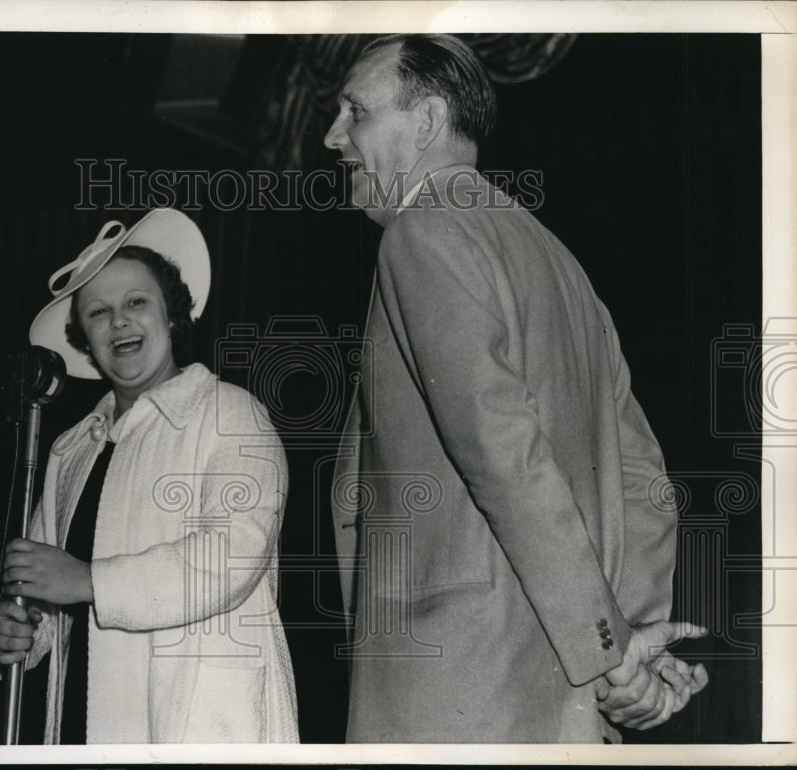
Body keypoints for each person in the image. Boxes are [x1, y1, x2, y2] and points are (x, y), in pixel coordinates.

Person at [325, 34, 708, 743]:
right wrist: (624, 645)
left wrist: (611, 650)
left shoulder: (422, 235)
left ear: (428, 120)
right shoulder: (561, 264)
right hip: (559, 699)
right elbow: (643, 479)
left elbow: (502, 454)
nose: (332, 136)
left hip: (459, 685)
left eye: (355, 112)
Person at [0, 209, 299, 743]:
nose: (119, 322)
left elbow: (231, 555)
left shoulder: (229, 415)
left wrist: (86, 580)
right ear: (83, 340)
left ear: (171, 314)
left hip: (203, 731)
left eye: (136, 302)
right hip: (84, 731)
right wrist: (14, 632)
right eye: (98, 312)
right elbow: (43, 589)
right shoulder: (70, 451)